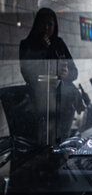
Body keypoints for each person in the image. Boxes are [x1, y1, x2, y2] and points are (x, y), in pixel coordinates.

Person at [19, 8, 84, 143]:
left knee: (62, 138)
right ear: (37, 25)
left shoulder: (59, 44)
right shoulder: (27, 44)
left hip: (63, 100)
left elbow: (74, 71)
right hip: (40, 99)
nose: (46, 28)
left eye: (50, 24)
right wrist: (42, 50)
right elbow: (27, 73)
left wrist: (66, 74)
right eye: (43, 24)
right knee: (43, 140)